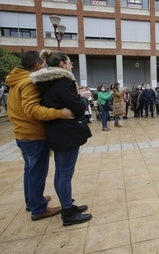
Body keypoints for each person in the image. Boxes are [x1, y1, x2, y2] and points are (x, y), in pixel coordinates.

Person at [6, 50, 73, 221]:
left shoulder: (16, 80)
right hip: (32, 134)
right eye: (43, 64)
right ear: (37, 65)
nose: (45, 67)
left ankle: (33, 201)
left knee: (30, 170)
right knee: (37, 172)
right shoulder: (28, 82)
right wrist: (59, 113)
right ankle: (38, 209)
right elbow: (32, 109)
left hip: (22, 133)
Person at [30, 49, 92, 226]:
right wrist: (83, 99)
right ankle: (68, 212)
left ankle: (68, 206)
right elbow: (77, 107)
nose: (71, 65)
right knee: (65, 174)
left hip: (56, 131)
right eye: (69, 62)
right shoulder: (63, 81)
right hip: (65, 132)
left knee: (61, 172)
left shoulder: (47, 81)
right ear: (62, 64)